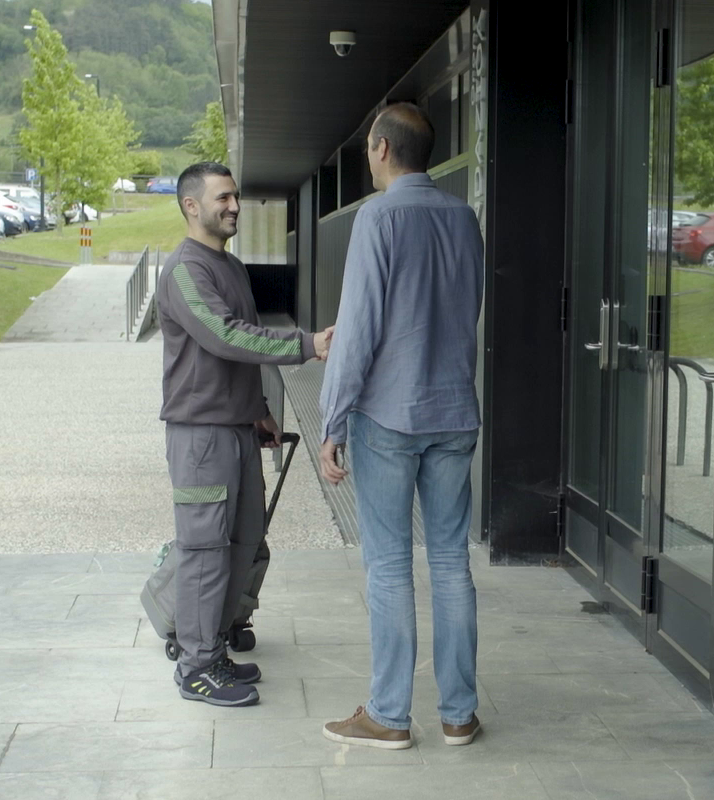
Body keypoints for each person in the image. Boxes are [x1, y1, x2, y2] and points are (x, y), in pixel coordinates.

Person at [316, 102, 487, 750]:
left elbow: (356, 329)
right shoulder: (463, 218)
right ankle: (459, 713)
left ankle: (388, 715)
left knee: (388, 565)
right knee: (450, 562)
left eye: (367, 147)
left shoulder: (378, 217)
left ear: (382, 149)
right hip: (454, 410)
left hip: (390, 414)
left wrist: (333, 418)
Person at [156, 161, 332, 707]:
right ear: (192, 206)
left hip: (235, 428)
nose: (234, 206)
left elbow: (239, 355)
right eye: (223, 198)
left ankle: (214, 652)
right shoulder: (186, 269)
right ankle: (196, 667)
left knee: (242, 542)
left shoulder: (227, 266)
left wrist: (258, 408)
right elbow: (226, 337)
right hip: (200, 437)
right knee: (205, 548)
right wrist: (308, 344)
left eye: (236, 197)